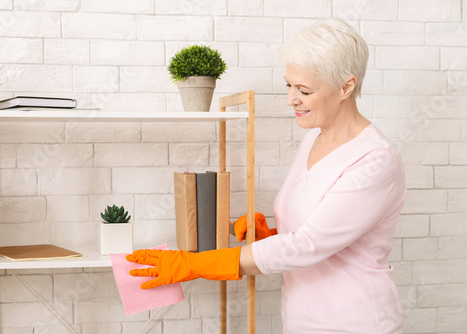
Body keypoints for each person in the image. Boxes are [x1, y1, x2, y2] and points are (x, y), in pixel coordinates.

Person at [127, 17, 406, 334]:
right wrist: (270, 235)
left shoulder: (375, 160)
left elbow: (307, 245)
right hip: (301, 320)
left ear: (346, 86)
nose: (291, 99)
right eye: (289, 85)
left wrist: (194, 265)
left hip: (356, 323)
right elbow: (321, 233)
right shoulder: (313, 138)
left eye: (304, 90)